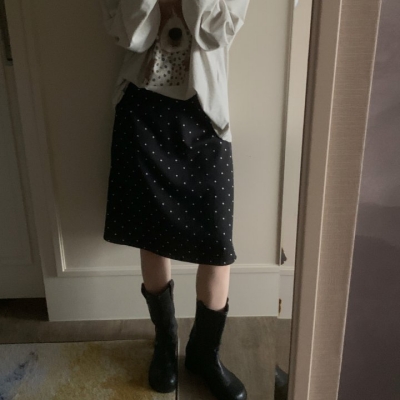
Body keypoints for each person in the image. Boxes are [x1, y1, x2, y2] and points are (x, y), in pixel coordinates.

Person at [99, 0, 250, 399]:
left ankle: (205, 353)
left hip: (205, 117)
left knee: (217, 246)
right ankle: (165, 344)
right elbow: (127, 34)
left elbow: (219, 31)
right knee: (152, 237)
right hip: (142, 111)